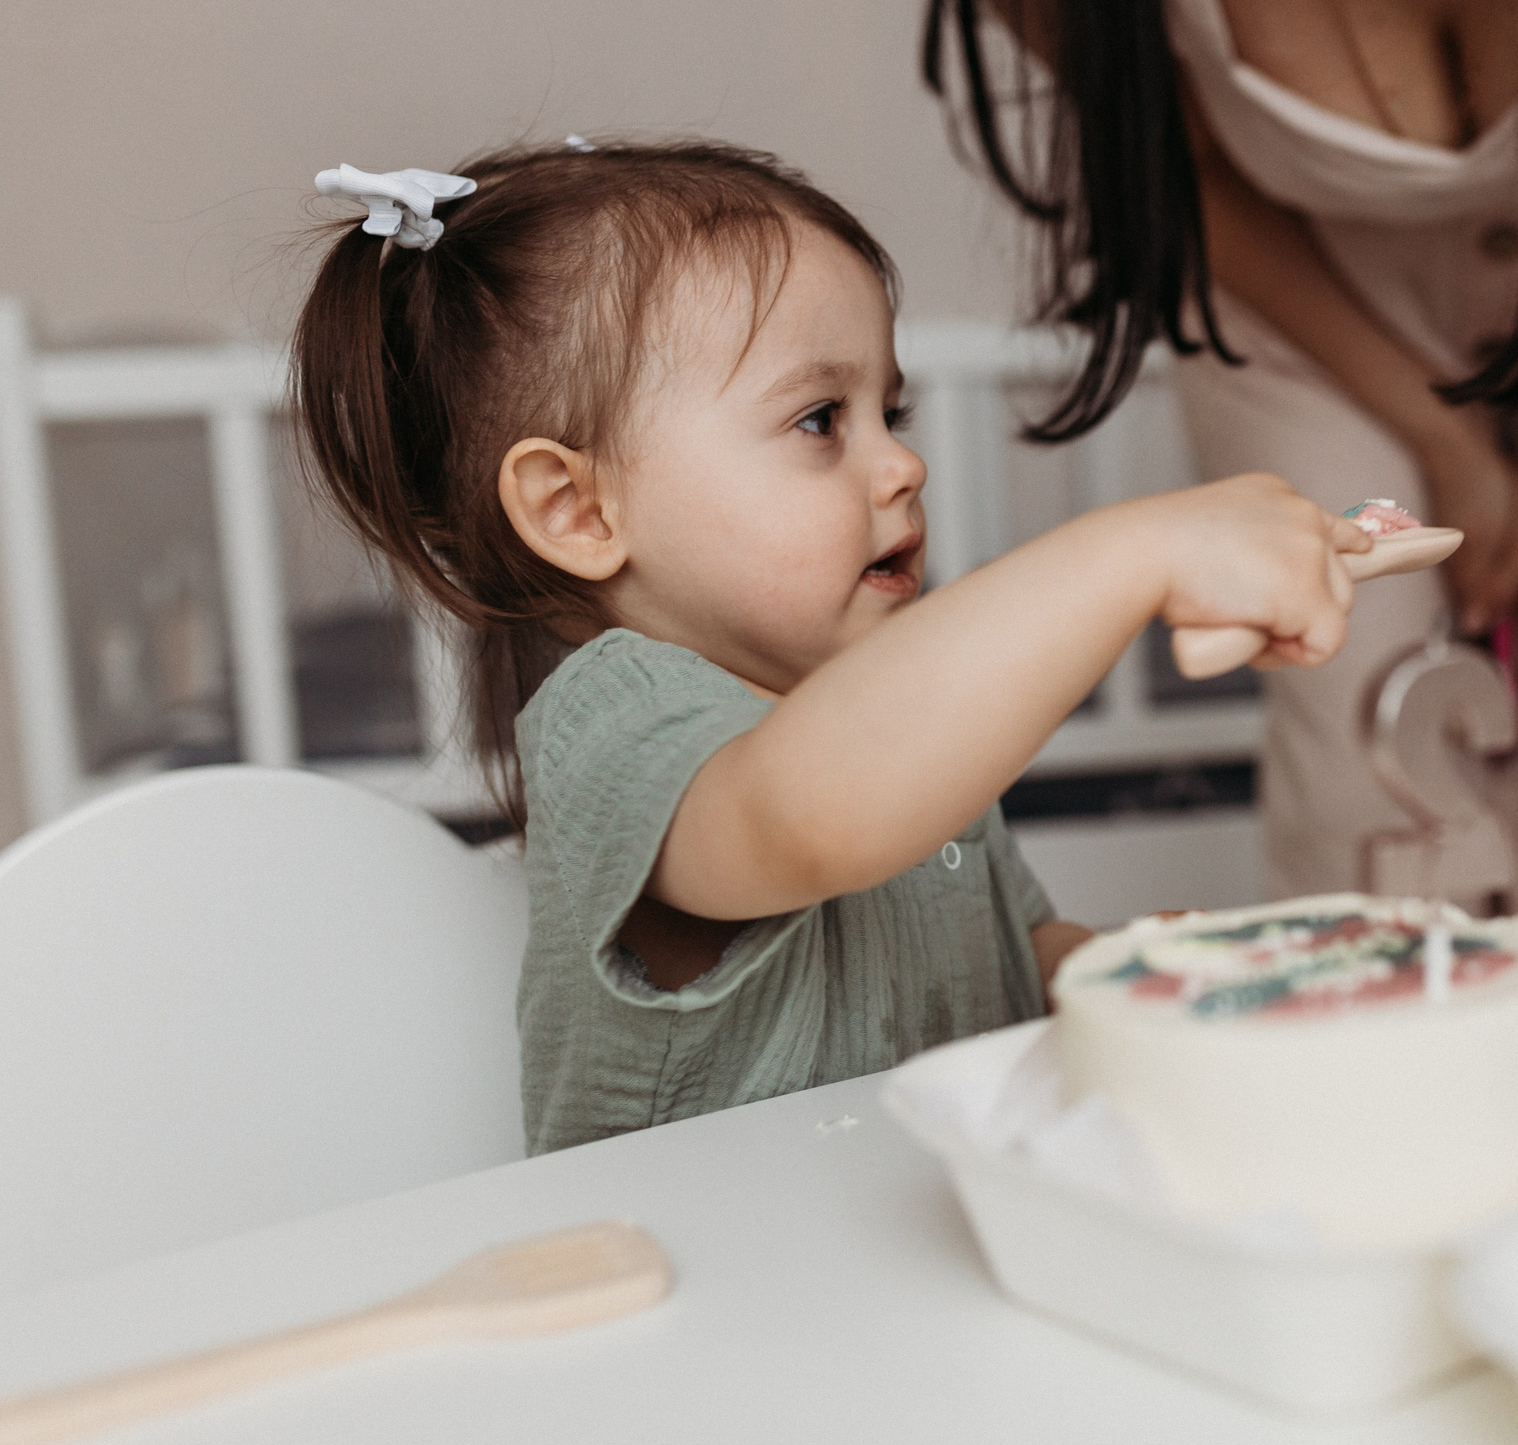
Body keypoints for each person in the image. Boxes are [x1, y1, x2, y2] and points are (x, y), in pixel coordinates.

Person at [288, 141, 1367, 1153]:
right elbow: (806, 816)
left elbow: (1005, 962)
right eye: (820, 423)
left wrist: (1126, 976)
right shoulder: (613, 722)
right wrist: (1136, 548)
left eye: (889, 414)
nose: (902, 467)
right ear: (577, 508)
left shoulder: (900, 729)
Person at [925, 0, 1518, 971]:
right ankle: (1359, 1078)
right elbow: (1184, 187)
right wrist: (1443, 441)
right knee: (1360, 735)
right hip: (1312, 323)